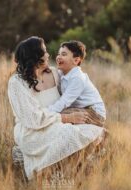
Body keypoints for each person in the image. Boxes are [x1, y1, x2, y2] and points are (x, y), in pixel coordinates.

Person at [8, 36, 105, 180]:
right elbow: (32, 119)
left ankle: (66, 178)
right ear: (35, 57)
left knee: (96, 132)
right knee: (72, 133)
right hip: (33, 130)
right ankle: (50, 180)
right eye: (45, 51)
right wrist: (66, 118)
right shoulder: (16, 83)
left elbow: (73, 85)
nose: (49, 55)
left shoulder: (54, 73)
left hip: (56, 122)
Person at [48, 40, 106, 127]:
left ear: (76, 60)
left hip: (94, 112)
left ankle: (102, 135)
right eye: (58, 54)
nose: (58, 57)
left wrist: (48, 112)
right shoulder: (62, 73)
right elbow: (51, 72)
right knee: (60, 115)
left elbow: (65, 101)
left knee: (60, 115)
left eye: (63, 54)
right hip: (81, 108)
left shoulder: (77, 78)